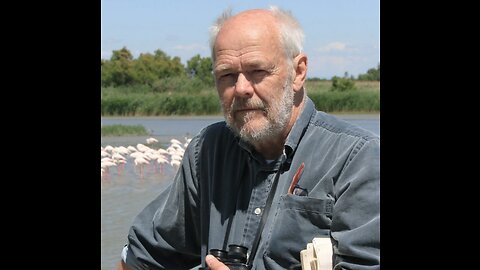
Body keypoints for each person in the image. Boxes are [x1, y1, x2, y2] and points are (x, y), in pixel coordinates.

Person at [117, 6, 379, 270]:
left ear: (298, 72)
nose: (241, 89)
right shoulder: (207, 151)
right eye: (227, 75)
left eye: (258, 71)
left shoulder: (357, 159)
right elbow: (145, 255)